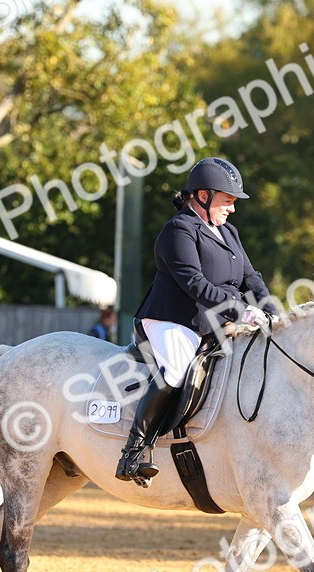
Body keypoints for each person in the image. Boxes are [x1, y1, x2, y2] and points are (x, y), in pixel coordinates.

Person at [115, 157, 275, 484]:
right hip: (172, 319)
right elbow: (195, 284)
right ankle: (134, 451)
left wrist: (271, 310)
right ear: (203, 196)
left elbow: (251, 277)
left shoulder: (228, 232)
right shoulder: (178, 230)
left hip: (212, 321)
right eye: (227, 201)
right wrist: (241, 311)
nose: (232, 209)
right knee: (176, 369)